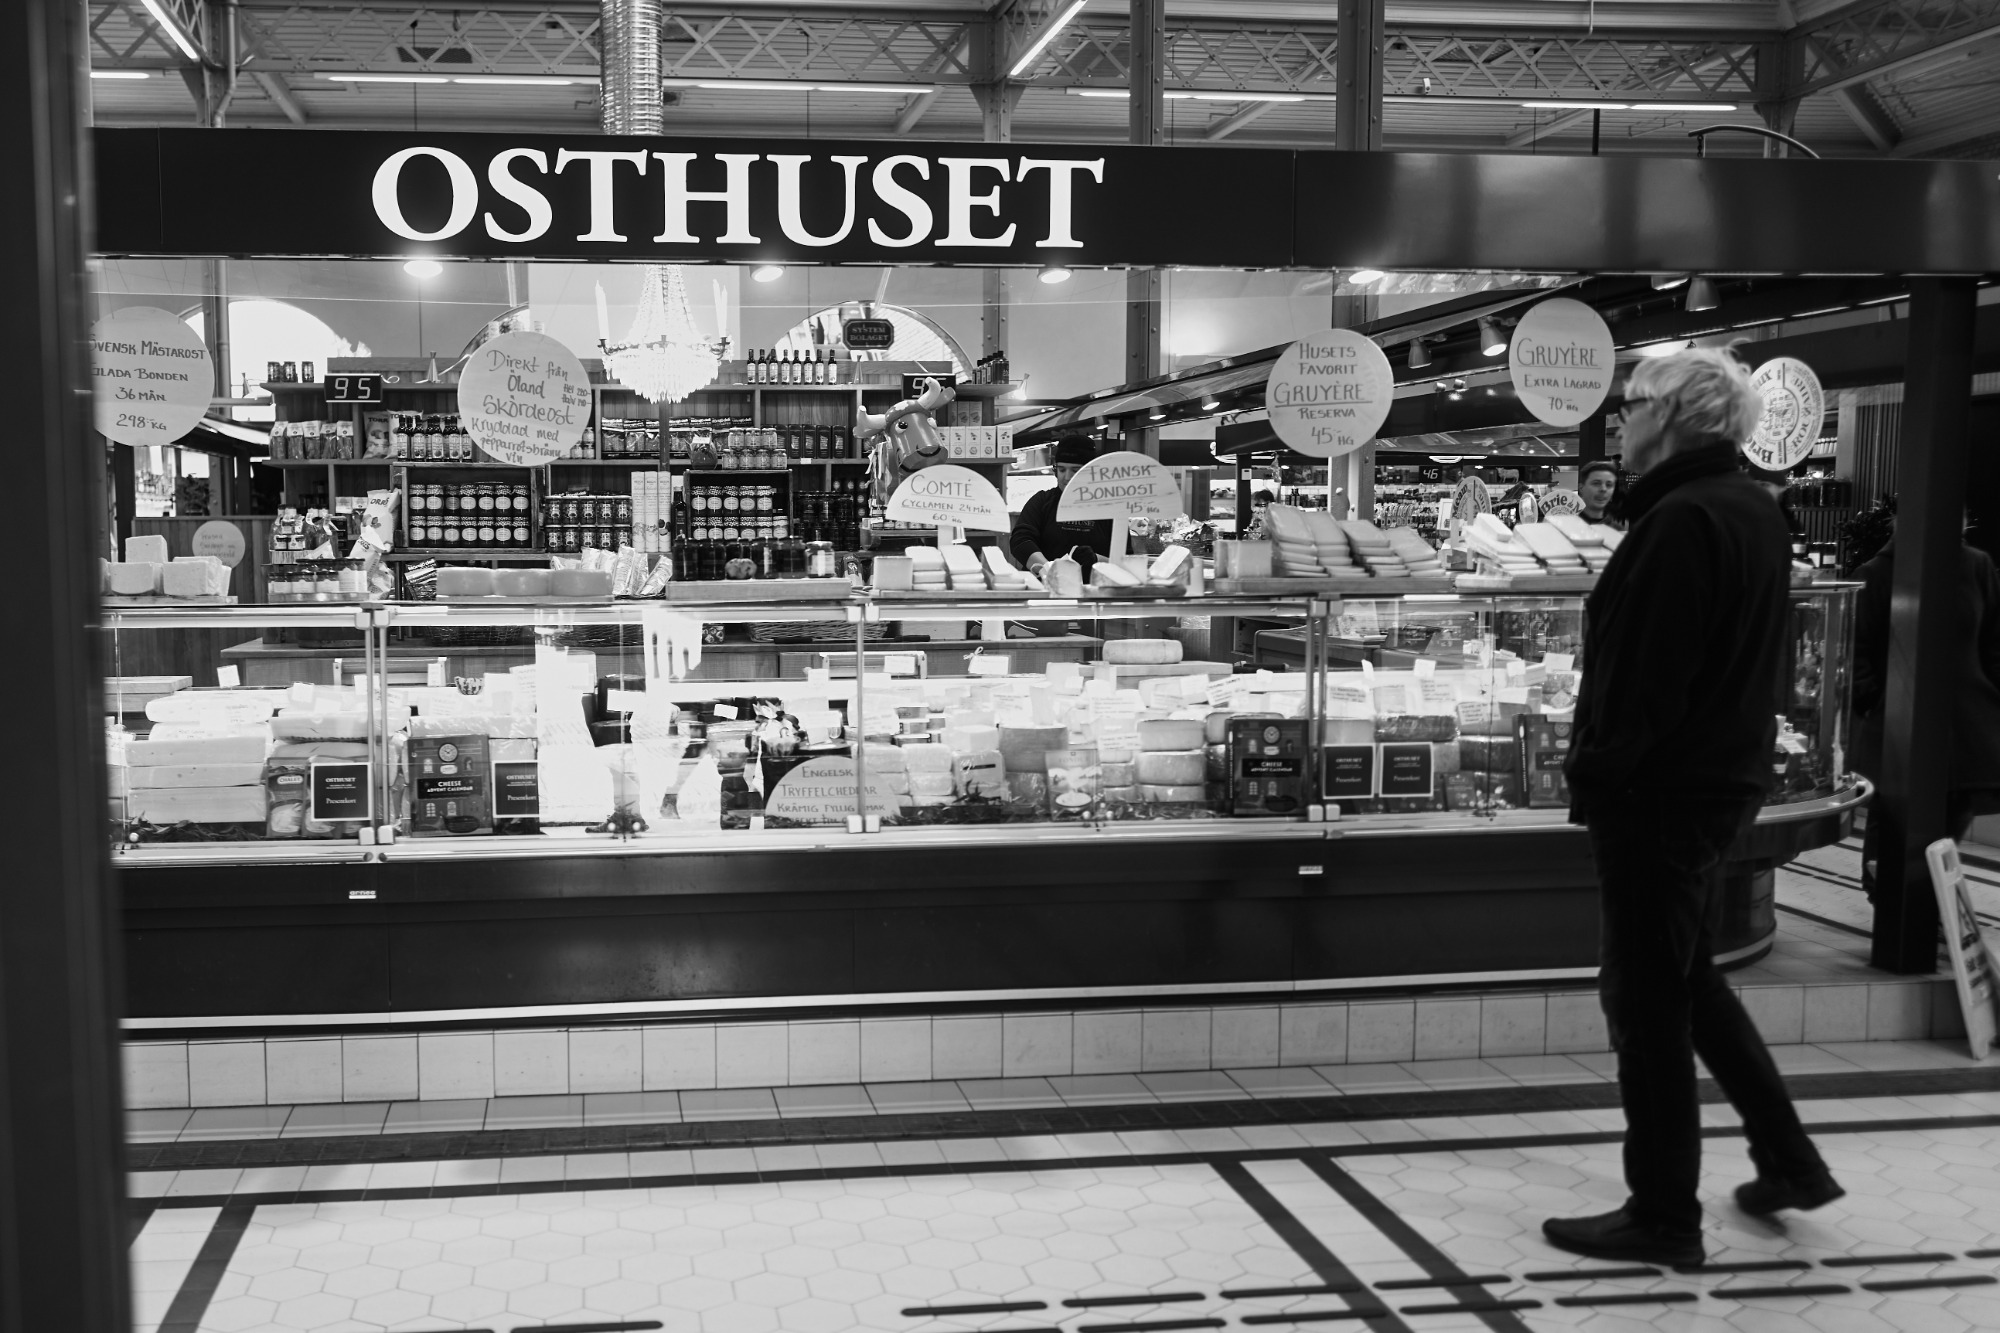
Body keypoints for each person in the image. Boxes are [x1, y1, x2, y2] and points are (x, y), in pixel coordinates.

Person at [1549, 348, 1840, 1267]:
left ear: (1673, 417)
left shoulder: (1680, 519)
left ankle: (1664, 1212)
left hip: (1660, 793)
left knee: (1645, 999)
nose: (1620, 421)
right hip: (1718, 779)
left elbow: (1648, 678)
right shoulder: (1748, 507)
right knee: (1691, 980)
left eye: (1632, 405)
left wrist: (1596, 770)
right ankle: (1790, 1161)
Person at [1850, 520, 2000, 842]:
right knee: (1891, 838)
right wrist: (1875, 702)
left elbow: (1993, 643)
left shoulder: (1977, 566)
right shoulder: (1876, 573)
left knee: (1945, 835)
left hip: (1963, 733)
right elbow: (1855, 650)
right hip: (1895, 731)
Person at [1010, 435, 1114, 574]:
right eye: (1062, 470)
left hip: (1096, 585)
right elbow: (1021, 541)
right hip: (1045, 584)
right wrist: (1050, 570)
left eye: (1075, 470)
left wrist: (1096, 559)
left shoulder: (1108, 508)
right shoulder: (1041, 501)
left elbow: (1125, 559)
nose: (1067, 477)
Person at [1577, 459, 1625, 528]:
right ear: (1581, 488)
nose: (1603, 489)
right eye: (1596, 483)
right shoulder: (1568, 526)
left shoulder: (1618, 530)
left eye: (1609, 485)